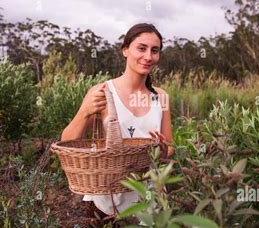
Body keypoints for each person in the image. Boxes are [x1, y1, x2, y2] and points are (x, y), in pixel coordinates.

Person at [60, 23, 174, 216]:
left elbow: (169, 146)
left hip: (149, 198)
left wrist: (164, 150)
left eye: (154, 51)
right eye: (141, 48)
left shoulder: (160, 96)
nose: (148, 57)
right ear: (125, 50)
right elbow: (67, 142)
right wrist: (85, 112)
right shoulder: (102, 92)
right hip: (108, 200)